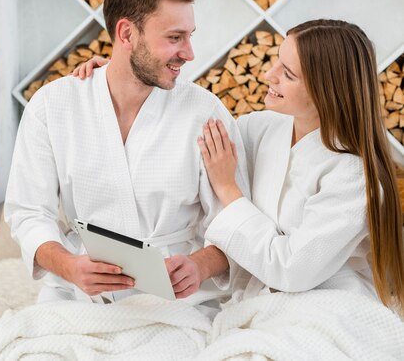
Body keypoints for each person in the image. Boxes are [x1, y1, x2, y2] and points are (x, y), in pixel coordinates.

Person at [74, 19, 404, 312]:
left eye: (287, 74)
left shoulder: (353, 176)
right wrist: (123, 78)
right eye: (277, 62)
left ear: (326, 91)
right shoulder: (261, 128)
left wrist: (229, 191)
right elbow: (188, 130)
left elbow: (291, 270)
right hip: (259, 303)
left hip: (328, 305)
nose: (267, 74)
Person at [4, 0, 249, 312]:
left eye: (190, 35)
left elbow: (235, 221)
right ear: (126, 33)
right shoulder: (52, 105)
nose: (190, 53)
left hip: (179, 301)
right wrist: (69, 267)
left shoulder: (206, 114)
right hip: (78, 294)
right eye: (175, 37)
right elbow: (28, 212)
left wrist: (200, 266)